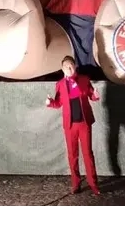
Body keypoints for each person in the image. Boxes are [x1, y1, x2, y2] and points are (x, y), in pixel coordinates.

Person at [46, 55, 101, 195]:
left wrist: (95, 95)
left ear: (75, 66)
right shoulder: (60, 84)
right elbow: (58, 103)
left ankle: (93, 184)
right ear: (62, 69)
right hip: (70, 126)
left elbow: (92, 96)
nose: (69, 68)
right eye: (66, 67)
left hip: (84, 123)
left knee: (88, 154)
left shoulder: (84, 80)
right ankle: (76, 184)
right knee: (72, 155)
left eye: (71, 65)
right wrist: (50, 103)